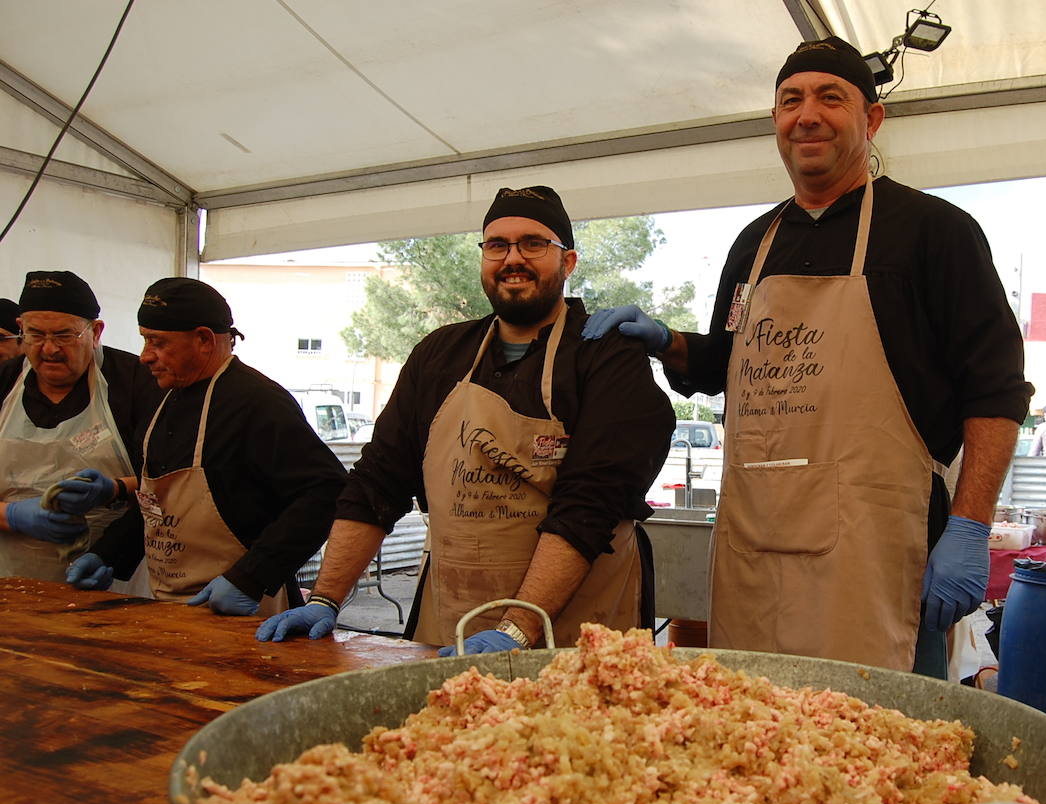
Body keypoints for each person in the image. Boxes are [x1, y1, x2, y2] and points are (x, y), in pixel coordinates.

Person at [582, 38, 1032, 673]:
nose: (808, 115)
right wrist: (668, 342)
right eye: (791, 100)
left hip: (879, 553)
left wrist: (971, 526)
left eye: (831, 97)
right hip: (757, 549)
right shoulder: (753, 245)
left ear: (872, 119)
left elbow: (997, 390)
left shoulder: (936, 233)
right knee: (760, 743)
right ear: (775, 123)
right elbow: (725, 366)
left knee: (879, 745)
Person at [257, 186, 674, 652]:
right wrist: (325, 599)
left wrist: (517, 628)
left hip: (576, 626)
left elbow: (592, 501)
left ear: (568, 261)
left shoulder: (606, 353)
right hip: (452, 615)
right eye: (497, 245)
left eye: (534, 243)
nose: (513, 257)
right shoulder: (439, 354)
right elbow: (378, 481)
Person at [65, 278, 347, 616]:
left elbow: (325, 492)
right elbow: (157, 505)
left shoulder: (258, 403)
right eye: (144, 340)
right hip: (167, 601)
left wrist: (250, 577)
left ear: (203, 340)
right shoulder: (162, 401)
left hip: (247, 609)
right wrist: (109, 552)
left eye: (158, 342)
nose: (144, 357)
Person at [0, 271, 160, 582]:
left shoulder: (137, 383)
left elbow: (165, 485)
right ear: (21, 330)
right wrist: (13, 516)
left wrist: (109, 550)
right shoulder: (3, 382)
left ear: (96, 331)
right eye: (36, 335)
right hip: (9, 580)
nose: (49, 349)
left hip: (110, 575)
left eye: (64, 336)